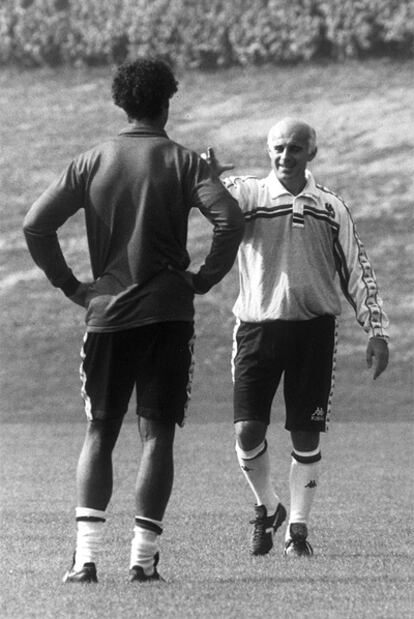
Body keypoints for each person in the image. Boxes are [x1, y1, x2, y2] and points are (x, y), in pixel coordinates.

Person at [23, 57, 244, 583]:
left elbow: (36, 225)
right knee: (157, 434)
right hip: (168, 314)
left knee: (100, 431)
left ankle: (86, 559)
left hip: (108, 314)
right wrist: (205, 278)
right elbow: (229, 219)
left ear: (121, 103)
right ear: (167, 103)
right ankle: (143, 561)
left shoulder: (92, 161)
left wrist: (73, 286)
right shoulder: (185, 162)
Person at [202, 117, 389, 558]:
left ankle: (298, 530)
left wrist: (377, 330)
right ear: (269, 151)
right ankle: (268, 507)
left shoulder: (331, 206)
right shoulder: (246, 194)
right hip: (256, 330)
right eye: (279, 148)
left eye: (295, 148)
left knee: (306, 433)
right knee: (248, 430)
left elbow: (357, 270)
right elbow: (202, 201)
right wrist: (207, 179)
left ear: (312, 153)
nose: (286, 156)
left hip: (313, 333)